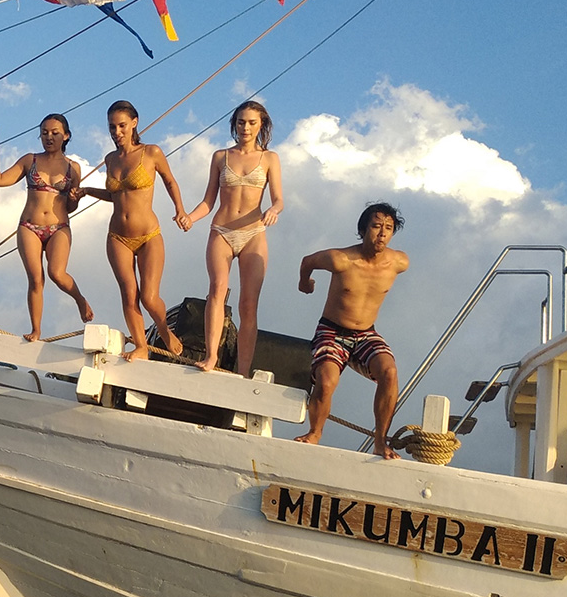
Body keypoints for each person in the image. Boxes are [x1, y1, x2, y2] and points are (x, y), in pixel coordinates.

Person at [296, 204, 409, 459]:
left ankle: (380, 442)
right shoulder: (341, 259)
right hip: (332, 330)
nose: (382, 233)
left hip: (366, 334)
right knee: (327, 381)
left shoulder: (399, 262)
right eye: (376, 226)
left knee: (389, 372)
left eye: (388, 228)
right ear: (363, 230)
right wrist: (305, 282)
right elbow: (308, 261)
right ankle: (315, 433)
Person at [79, 100, 188, 361]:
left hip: (148, 235)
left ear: (134, 123)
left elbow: (170, 181)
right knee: (129, 294)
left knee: (149, 297)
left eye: (122, 126)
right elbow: (115, 194)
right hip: (118, 236)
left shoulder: (151, 152)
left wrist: (180, 210)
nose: (117, 132)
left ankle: (164, 330)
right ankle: (141, 346)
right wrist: (86, 191)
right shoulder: (110, 159)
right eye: (112, 127)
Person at [182, 100, 284, 375]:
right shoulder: (221, 157)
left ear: (261, 125)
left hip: (253, 232)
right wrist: (190, 217)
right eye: (241, 122)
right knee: (217, 288)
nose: (245, 128)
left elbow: (278, 199)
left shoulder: (270, 158)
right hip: (222, 230)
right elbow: (208, 201)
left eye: (251, 123)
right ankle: (211, 356)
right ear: (234, 124)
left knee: (248, 304)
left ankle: (244, 369)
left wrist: (274, 210)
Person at [0, 115, 94, 341]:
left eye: (55, 133)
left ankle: (80, 299)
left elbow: (71, 207)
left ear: (66, 136)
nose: (49, 137)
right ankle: (36, 330)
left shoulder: (73, 168)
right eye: (44, 133)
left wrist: (74, 198)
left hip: (59, 227)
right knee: (36, 279)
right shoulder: (30, 160)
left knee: (57, 273)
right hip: (29, 226)